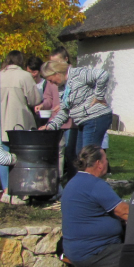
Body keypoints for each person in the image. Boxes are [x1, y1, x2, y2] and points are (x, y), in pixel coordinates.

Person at [61, 145, 129, 267]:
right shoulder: (95, 184)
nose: (107, 163)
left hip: (76, 248)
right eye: (106, 159)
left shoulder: (75, 182)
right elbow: (125, 212)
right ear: (99, 163)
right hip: (93, 251)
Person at [40, 59, 113, 159]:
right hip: (83, 121)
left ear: (56, 73)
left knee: (87, 156)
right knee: (80, 155)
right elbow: (64, 111)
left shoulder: (78, 74)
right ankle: (87, 173)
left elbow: (102, 75)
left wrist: (99, 96)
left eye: (50, 79)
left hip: (95, 117)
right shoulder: (62, 87)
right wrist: (50, 126)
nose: (50, 83)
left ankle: (93, 173)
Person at [0, 51, 42, 192]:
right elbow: (34, 99)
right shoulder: (25, 76)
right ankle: (22, 186)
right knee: (22, 156)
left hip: (0, 122)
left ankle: (6, 188)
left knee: (2, 156)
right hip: (20, 121)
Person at [48, 48, 76, 180]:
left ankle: (72, 181)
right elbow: (48, 97)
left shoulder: (74, 75)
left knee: (71, 152)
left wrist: (66, 103)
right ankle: (57, 181)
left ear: (65, 60)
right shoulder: (51, 77)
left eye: (57, 62)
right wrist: (43, 105)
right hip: (57, 119)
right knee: (56, 153)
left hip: (71, 121)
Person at [27, 55, 60, 126]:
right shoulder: (26, 84)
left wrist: (42, 106)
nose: (31, 75)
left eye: (34, 72)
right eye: (29, 72)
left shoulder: (47, 83)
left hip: (44, 119)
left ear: (39, 72)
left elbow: (49, 100)